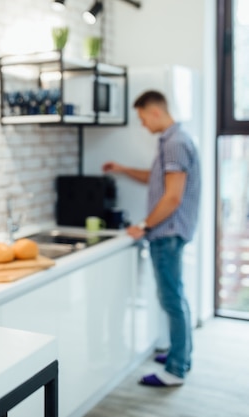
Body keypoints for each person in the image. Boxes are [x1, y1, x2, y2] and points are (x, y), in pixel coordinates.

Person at [102, 90, 200, 387]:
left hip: (166, 234)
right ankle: (181, 355)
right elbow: (156, 179)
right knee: (175, 297)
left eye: (143, 117)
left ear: (155, 112)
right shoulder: (172, 142)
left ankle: (175, 370)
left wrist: (143, 225)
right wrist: (122, 169)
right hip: (170, 233)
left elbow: (172, 198)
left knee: (171, 299)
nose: (143, 124)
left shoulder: (175, 144)